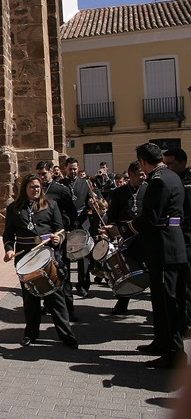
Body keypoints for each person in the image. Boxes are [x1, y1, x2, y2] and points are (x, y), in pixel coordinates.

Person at [102, 143, 187, 369]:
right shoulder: (172, 176)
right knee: (159, 300)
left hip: (164, 247)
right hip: (169, 244)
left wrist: (120, 230)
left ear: (142, 162)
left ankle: (174, 354)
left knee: (169, 302)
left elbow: (149, 218)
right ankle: (161, 342)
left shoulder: (158, 181)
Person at [2, 174, 78, 349]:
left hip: (48, 255)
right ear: (25, 189)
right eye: (32, 187)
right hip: (25, 258)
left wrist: (58, 238)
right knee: (30, 298)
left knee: (56, 297)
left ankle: (66, 335)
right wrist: (9, 249)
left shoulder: (51, 205)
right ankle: (30, 334)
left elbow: (59, 229)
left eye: (38, 187)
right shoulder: (14, 208)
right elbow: (8, 235)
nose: (35, 190)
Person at [36, 160, 79, 321]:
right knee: (45, 273)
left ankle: (69, 309)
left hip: (58, 237)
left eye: (44, 174)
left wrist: (64, 228)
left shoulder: (61, 190)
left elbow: (72, 214)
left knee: (62, 272)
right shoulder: (35, 190)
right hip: (42, 239)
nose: (41, 177)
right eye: (39, 174)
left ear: (51, 172)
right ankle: (48, 305)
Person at [105, 162, 147, 314]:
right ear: (131, 175)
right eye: (141, 174)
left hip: (145, 235)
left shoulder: (148, 190)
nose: (144, 177)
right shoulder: (119, 192)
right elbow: (112, 215)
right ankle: (122, 302)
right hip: (126, 237)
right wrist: (112, 228)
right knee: (127, 270)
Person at [163, 147, 191, 333]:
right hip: (181, 240)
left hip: (187, 240)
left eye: (170, 163)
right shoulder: (176, 180)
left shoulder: (187, 183)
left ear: (183, 162)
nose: (167, 167)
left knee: (186, 292)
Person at [61, 157, 94, 300]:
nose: (73, 171)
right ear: (65, 169)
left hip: (82, 222)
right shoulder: (61, 185)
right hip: (67, 223)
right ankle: (66, 285)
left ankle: (83, 285)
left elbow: (90, 200)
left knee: (84, 256)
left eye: (75, 169)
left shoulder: (85, 183)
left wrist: (92, 203)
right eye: (70, 169)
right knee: (65, 255)